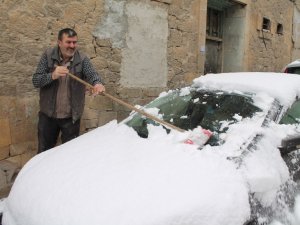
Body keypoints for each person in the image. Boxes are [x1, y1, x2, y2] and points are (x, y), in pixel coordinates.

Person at [32, 28, 105, 153]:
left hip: (71, 118)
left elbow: (93, 75)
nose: (72, 46)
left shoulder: (82, 59)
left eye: (74, 42)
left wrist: (97, 84)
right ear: (59, 42)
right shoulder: (48, 56)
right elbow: (36, 81)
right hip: (48, 116)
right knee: (44, 153)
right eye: (68, 42)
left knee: (69, 154)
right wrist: (52, 75)